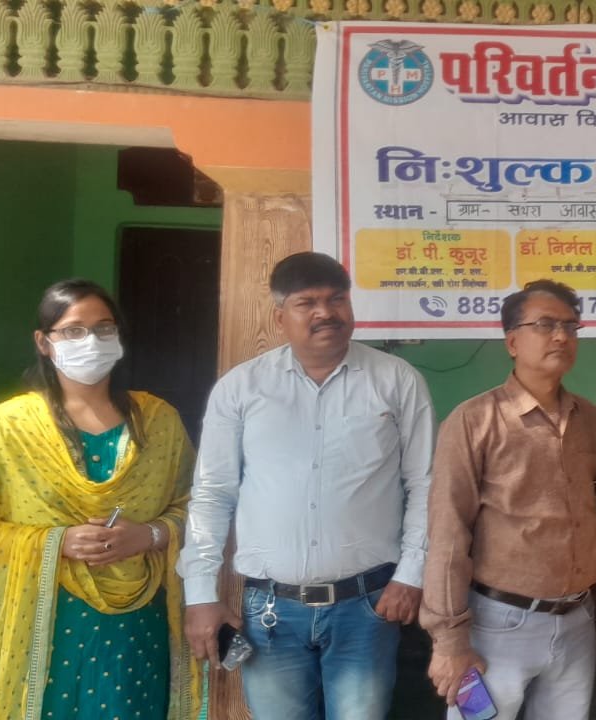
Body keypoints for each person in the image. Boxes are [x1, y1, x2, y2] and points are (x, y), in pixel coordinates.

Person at [180, 252, 433, 719]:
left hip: (368, 606)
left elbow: (425, 483)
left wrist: (411, 575)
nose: (325, 313)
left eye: (337, 299)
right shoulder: (241, 388)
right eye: (307, 303)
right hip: (272, 611)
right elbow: (213, 494)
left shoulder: (397, 381)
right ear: (280, 317)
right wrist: (200, 594)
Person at [0, 279, 201, 719]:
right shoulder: (9, 427)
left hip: (138, 626)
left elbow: (198, 507)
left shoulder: (158, 420)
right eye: (73, 331)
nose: (91, 341)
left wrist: (150, 535)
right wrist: (55, 542)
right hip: (42, 624)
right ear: (44, 342)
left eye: (103, 328)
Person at [421, 280, 596, 719]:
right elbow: (447, 533)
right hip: (497, 622)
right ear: (512, 341)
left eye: (570, 327)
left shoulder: (591, 420)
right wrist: (449, 640)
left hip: (577, 620)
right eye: (546, 325)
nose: (561, 337)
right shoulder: (474, 421)